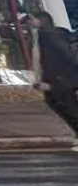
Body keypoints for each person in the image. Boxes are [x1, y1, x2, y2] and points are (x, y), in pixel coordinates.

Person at [31, 10, 78, 144]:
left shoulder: (50, 36)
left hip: (62, 77)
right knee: (55, 101)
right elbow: (37, 57)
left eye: (33, 19)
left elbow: (67, 55)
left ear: (41, 21)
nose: (30, 21)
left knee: (67, 105)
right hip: (57, 76)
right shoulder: (43, 35)